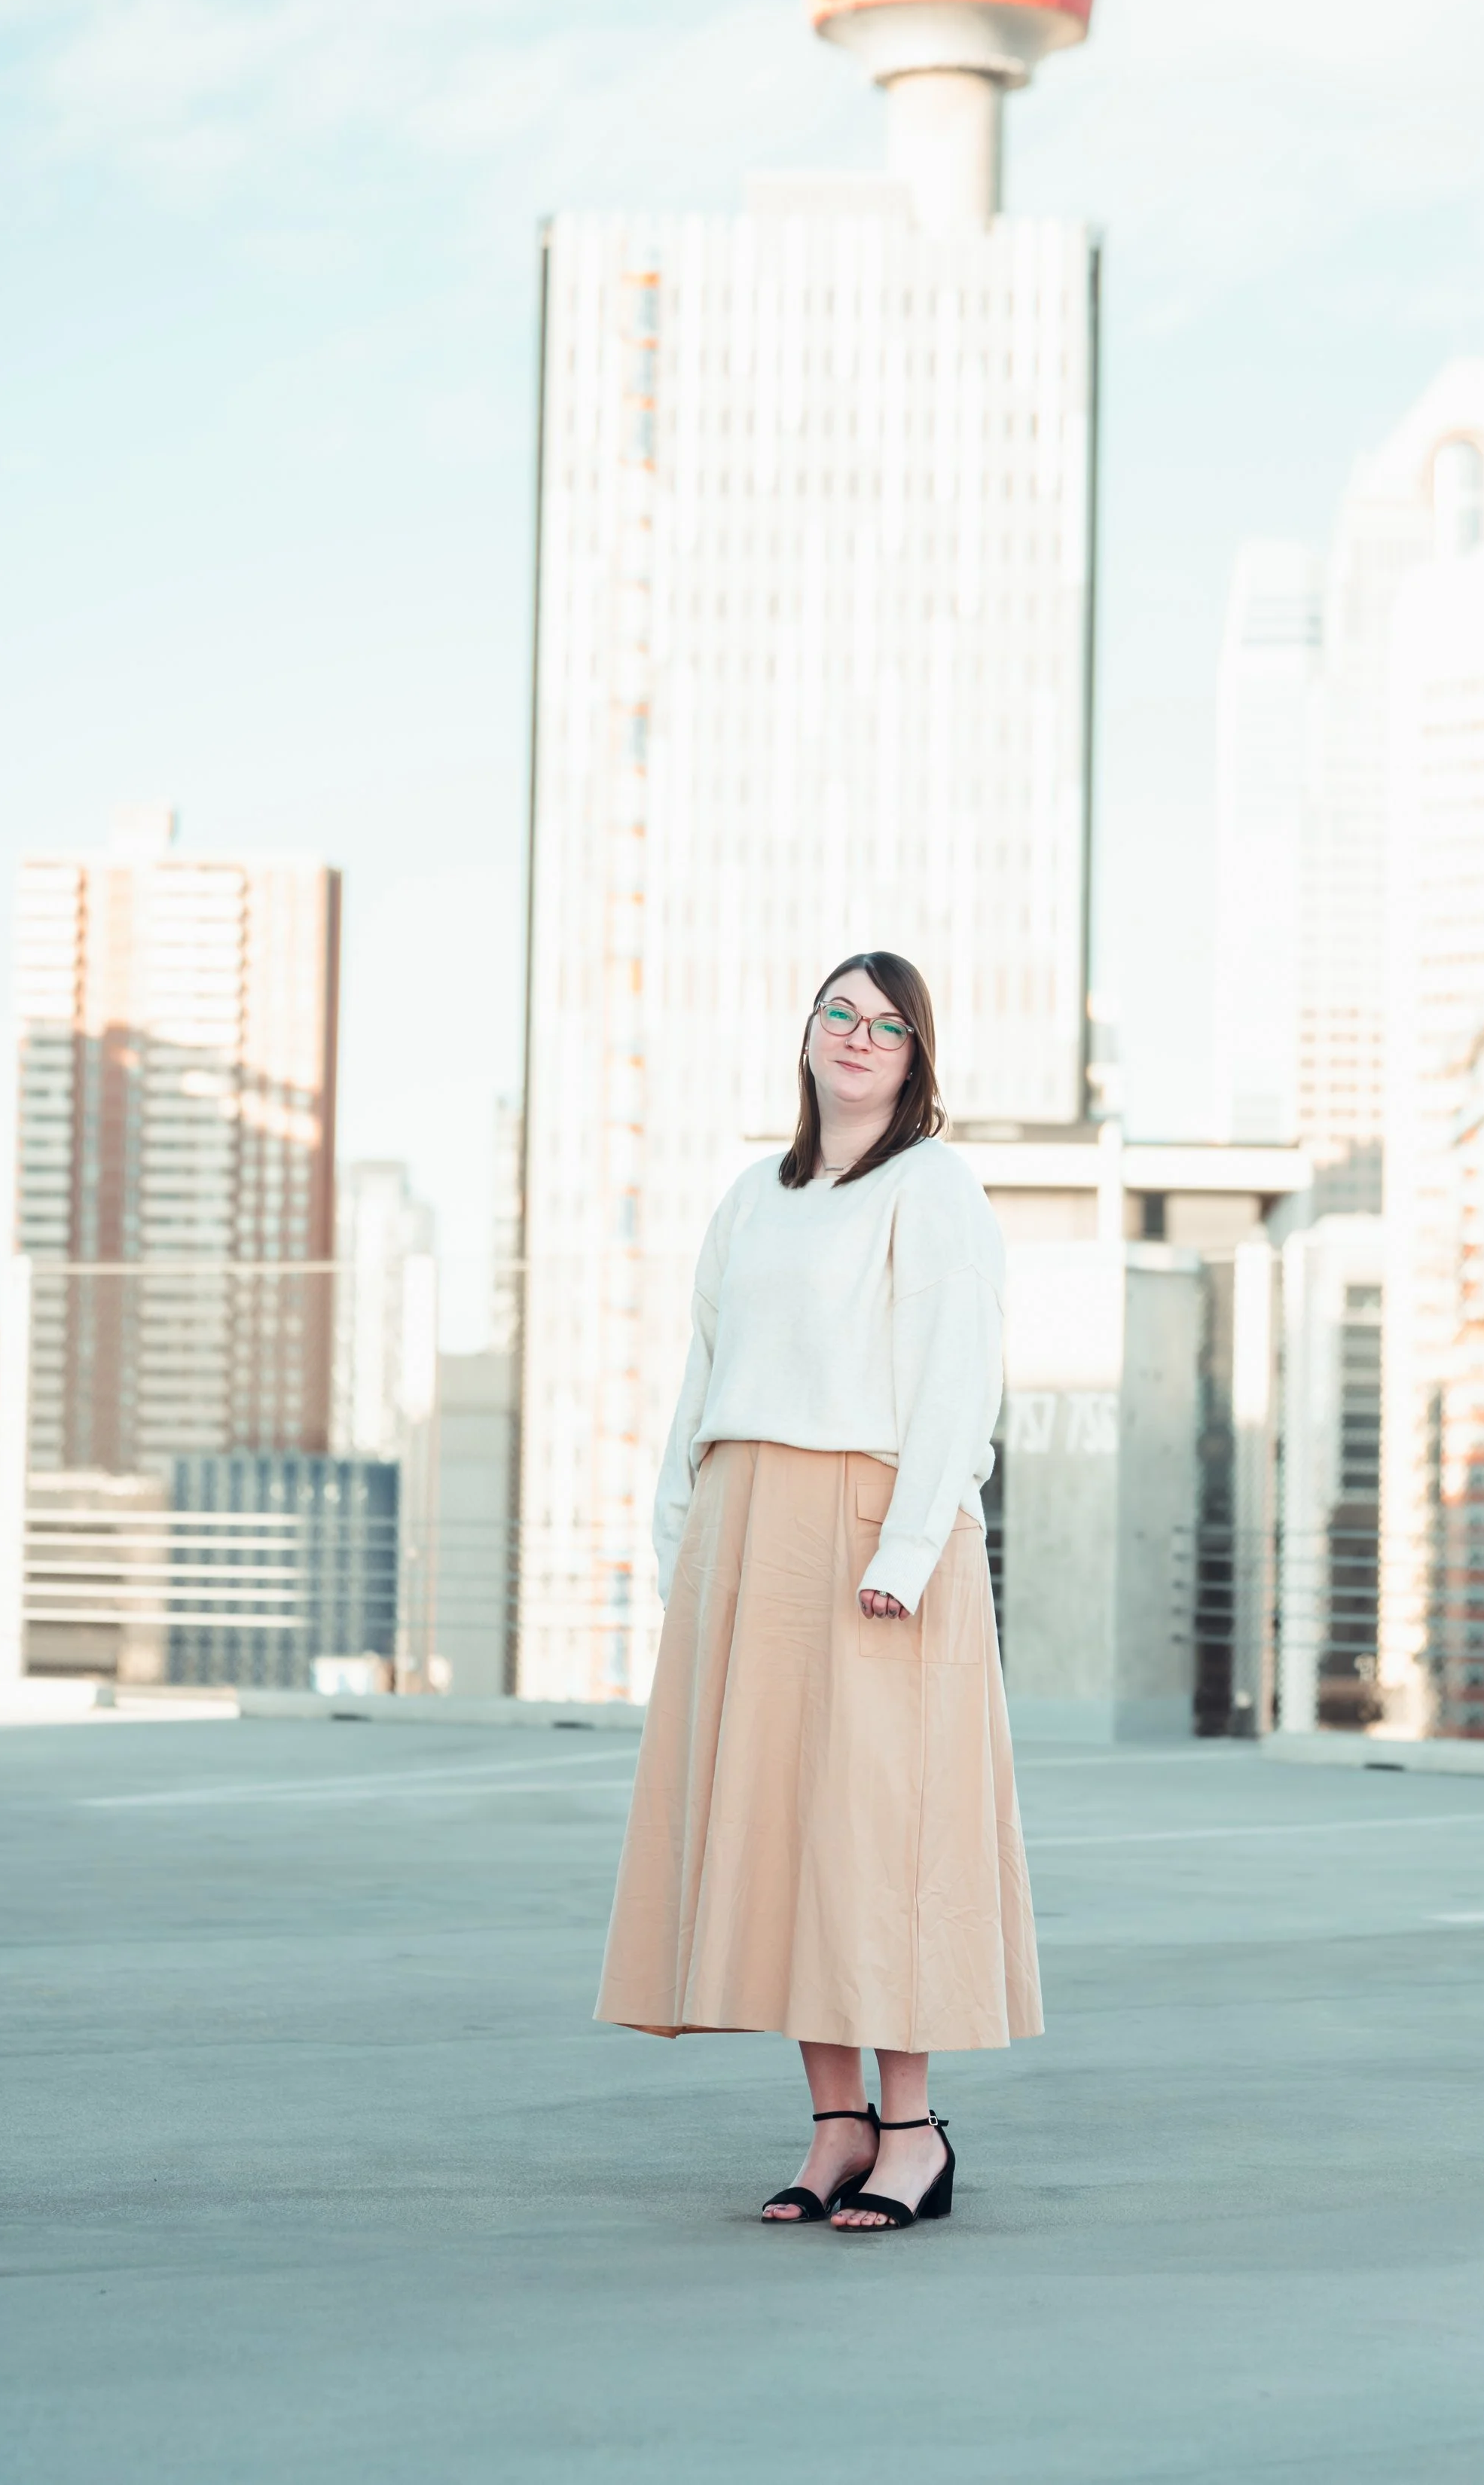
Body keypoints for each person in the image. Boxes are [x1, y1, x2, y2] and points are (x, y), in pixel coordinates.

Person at [594, 951, 1042, 2231]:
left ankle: (913, 2131)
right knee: (786, 1823)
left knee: (877, 1831)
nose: (858, 1036)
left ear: (915, 1058)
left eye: (887, 1024)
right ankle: (834, 2120)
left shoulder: (932, 1187)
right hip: (750, 1531)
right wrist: (687, 1541)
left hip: (870, 1526)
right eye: (839, 1013)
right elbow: (704, 1375)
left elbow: (960, 1377)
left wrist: (905, 1552)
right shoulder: (755, 1195)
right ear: (805, 1034)